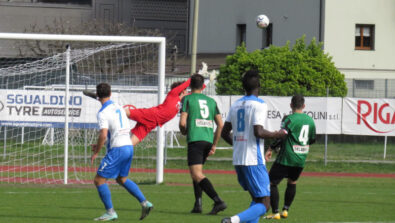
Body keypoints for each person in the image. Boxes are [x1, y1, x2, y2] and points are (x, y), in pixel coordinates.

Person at [220, 70, 287, 223]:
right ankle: (232, 221)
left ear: (244, 87)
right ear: (259, 86)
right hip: (253, 159)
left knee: (256, 200)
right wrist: (279, 134)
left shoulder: (235, 105)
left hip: (238, 159)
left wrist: (237, 144)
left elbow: (224, 133)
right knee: (265, 203)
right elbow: (259, 131)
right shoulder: (259, 104)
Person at [91, 83, 153, 221]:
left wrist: (96, 151)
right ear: (110, 93)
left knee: (99, 180)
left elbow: (103, 134)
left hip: (118, 149)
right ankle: (145, 203)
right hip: (128, 146)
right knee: (121, 179)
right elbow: (114, 131)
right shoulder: (119, 107)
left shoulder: (102, 113)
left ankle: (110, 212)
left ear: (97, 95)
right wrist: (101, 144)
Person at [84, 79, 191, 146]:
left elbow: (198, 90)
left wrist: (205, 79)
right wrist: (196, 76)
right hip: (151, 114)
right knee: (121, 112)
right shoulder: (173, 94)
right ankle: (100, 97)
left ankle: (106, 143)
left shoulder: (182, 100)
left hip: (152, 124)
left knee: (128, 146)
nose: (188, 92)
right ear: (181, 90)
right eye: (186, 90)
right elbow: (189, 82)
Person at [179, 74, 226, 215]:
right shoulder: (211, 101)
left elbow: (182, 122)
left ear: (190, 86)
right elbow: (220, 124)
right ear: (202, 86)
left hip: (195, 139)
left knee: (197, 174)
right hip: (207, 140)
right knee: (196, 172)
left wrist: (183, 130)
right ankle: (198, 204)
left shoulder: (187, 99)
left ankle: (218, 201)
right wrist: (214, 144)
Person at [264, 94, 316, 220]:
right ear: (303, 106)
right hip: (301, 158)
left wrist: (270, 148)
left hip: (287, 157)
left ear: (291, 105)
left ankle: (276, 212)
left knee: (271, 183)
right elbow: (312, 139)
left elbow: (282, 135)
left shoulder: (289, 119)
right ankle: (285, 210)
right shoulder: (310, 120)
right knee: (292, 182)